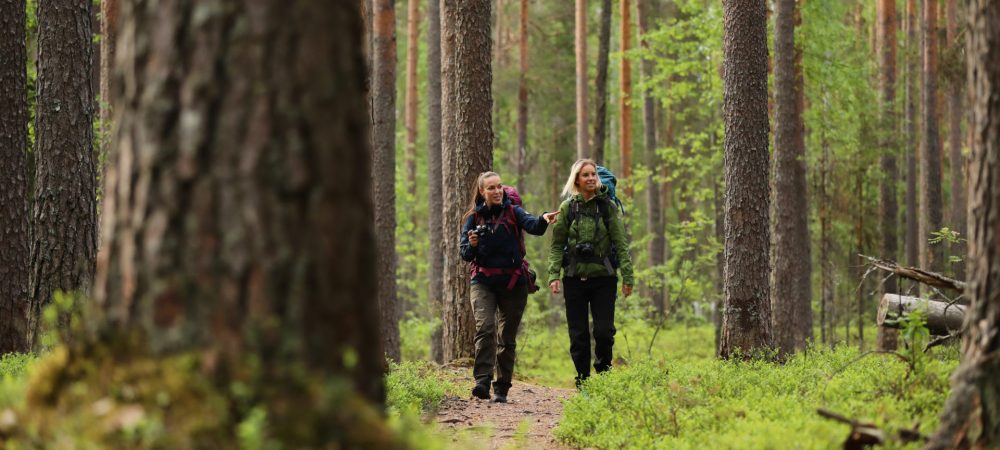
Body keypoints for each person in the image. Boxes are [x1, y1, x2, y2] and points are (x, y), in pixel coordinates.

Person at [460, 171, 559, 403]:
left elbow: (532, 225)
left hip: (513, 282)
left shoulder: (514, 211)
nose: (496, 191)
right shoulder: (474, 218)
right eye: (491, 188)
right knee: (485, 327)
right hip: (483, 281)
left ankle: (502, 387)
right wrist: (472, 244)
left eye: (499, 187)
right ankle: (482, 382)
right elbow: (464, 253)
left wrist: (544, 218)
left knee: (507, 337)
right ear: (482, 192)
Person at [546, 159, 633, 389]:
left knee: (604, 332)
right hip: (574, 279)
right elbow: (557, 245)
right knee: (578, 334)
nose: (591, 178)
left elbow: (620, 243)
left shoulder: (607, 207)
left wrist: (628, 277)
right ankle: (583, 380)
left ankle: (603, 377)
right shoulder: (568, 208)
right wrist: (554, 275)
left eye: (593, 174)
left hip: (604, 279)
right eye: (586, 175)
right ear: (577, 180)